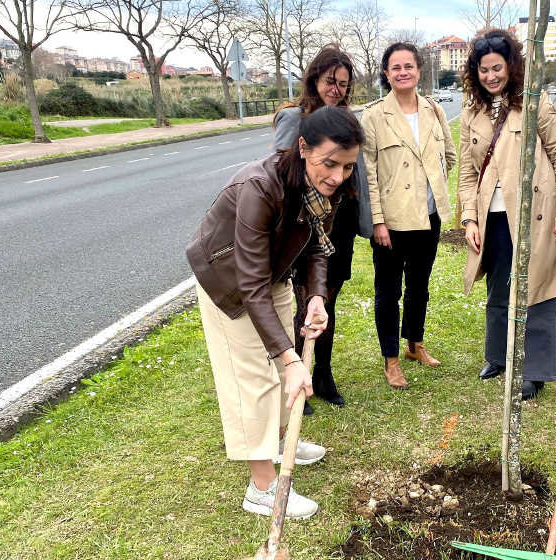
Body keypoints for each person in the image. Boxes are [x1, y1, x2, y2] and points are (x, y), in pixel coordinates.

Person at [187, 107, 365, 518]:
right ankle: (262, 488)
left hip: (275, 274)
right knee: (256, 377)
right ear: (303, 147)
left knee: (279, 371)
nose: (337, 176)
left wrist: (317, 296)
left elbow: (319, 244)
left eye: (347, 166)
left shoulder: (326, 184)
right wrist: (289, 357)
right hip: (228, 282)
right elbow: (250, 285)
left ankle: (281, 440)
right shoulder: (259, 186)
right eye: (329, 163)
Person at [457, 29, 556, 400]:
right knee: (497, 287)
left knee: (535, 287)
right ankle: (498, 356)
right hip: (490, 217)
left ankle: (532, 369)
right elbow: (465, 172)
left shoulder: (533, 103)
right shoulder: (471, 113)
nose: (491, 76)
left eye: (497, 68)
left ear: (511, 66)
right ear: (475, 73)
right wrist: (469, 218)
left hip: (532, 214)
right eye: (484, 70)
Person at [273, 45, 372, 412]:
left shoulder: (347, 118)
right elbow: (285, 173)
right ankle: (300, 373)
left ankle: (325, 373)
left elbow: (357, 173)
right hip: (305, 224)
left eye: (344, 83)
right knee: (303, 303)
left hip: (339, 222)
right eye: (331, 81)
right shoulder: (295, 117)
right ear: (315, 78)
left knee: (327, 301)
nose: (337, 89)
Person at [360, 42, 457, 389]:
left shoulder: (433, 110)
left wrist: (435, 188)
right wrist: (378, 221)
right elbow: (368, 172)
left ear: (418, 70)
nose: (403, 72)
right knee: (388, 291)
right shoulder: (373, 116)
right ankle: (391, 360)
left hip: (428, 217)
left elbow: (448, 153)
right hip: (392, 222)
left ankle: (415, 344)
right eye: (395, 67)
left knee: (420, 286)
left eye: (409, 66)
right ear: (386, 73)